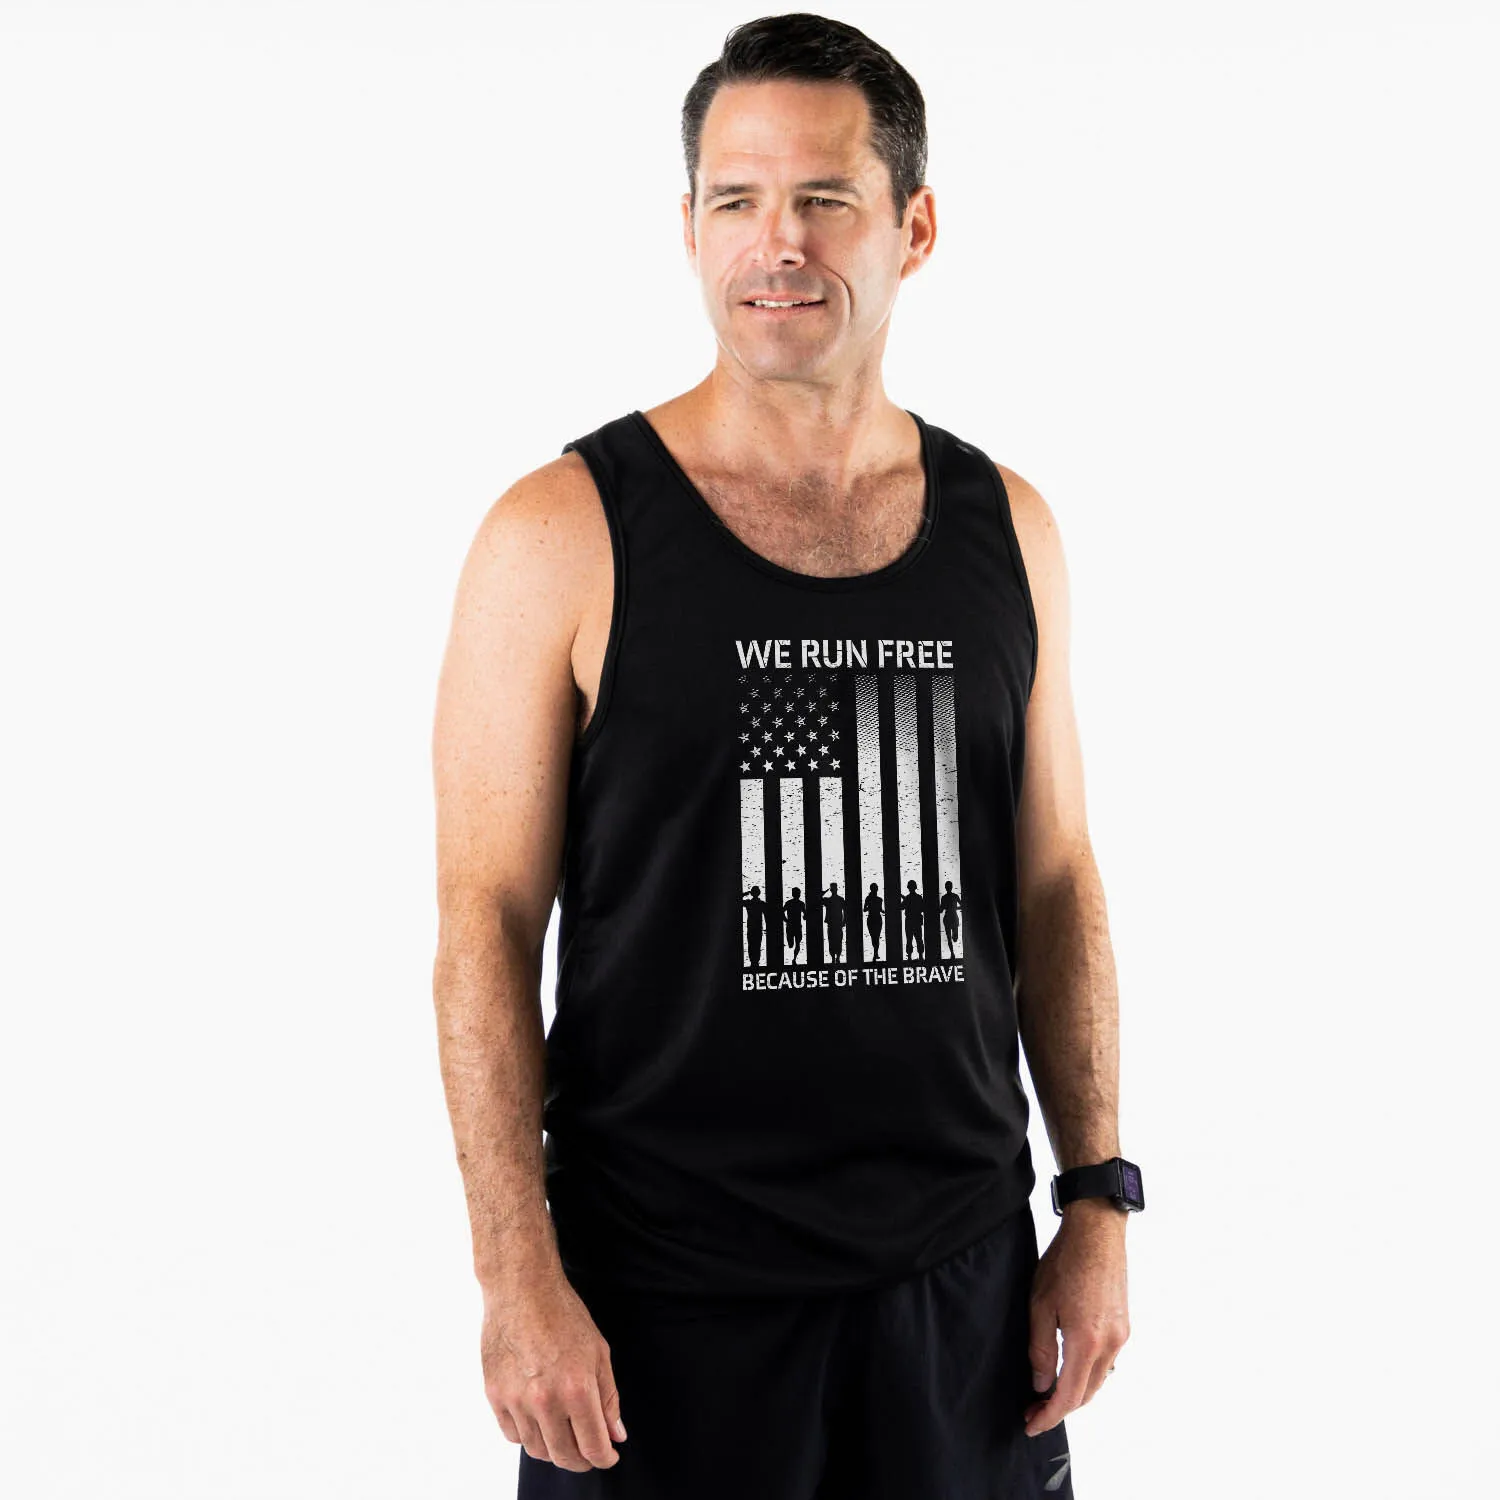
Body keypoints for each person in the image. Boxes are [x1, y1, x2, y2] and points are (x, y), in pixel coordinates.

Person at [430, 14, 1139, 1498]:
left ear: (914, 226)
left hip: (961, 1298)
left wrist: (1097, 1202)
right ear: (687, 227)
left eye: (824, 197)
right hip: (657, 1313)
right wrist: (515, 1275)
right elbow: (484, 926)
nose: (779, 244)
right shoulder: (559, 533)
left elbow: (1057, 883)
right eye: (737, 200)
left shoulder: (1008, 527)